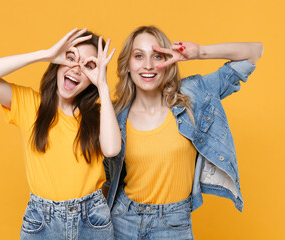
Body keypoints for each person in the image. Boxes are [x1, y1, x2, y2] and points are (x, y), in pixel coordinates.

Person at [103, 26, 263, 239]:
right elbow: (105, 178)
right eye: (138, 56)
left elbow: (254, 52)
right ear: (128, 65)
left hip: (174, 222)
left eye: (157, 56)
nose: (148, 65)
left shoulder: (193, 95)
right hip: (124, 219)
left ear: (167, 61)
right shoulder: (114, 115)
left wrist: (199, 52)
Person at [0, 28, 120, 240]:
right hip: (42, 221)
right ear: (58, 63)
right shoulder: (30, 105)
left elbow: (112, 149)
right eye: (71, 58)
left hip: (92, 219)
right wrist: (45, 54)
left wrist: (103, 86)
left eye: (89, 65)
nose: (77, 68)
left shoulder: (100, 115)